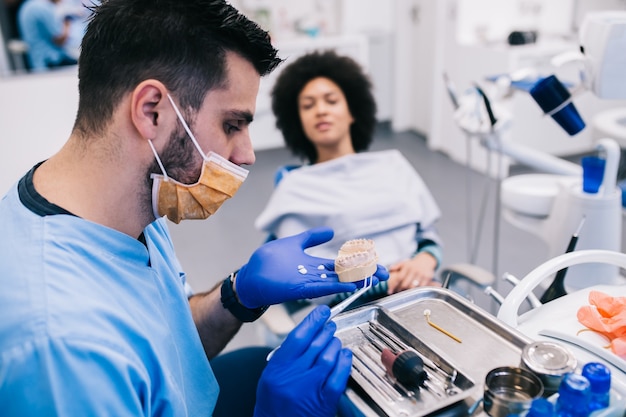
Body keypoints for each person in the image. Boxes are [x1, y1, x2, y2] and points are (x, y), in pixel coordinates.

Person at [0, 1, 388, 417]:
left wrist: (237, 295)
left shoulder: (128, 206)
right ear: (152, 112)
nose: (248, 155)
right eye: (232, 124)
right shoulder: (65, 350)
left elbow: (169, 347)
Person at [256, 50, 442, 309]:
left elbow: (426, 236)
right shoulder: (295, 187)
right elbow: (298, 280)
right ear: (298, 121)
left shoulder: (393, 165)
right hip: (350, 312)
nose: (320, 110)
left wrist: (426, 260)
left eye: (331, 101)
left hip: (419, 292)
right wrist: (382, 284)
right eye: (308, 105)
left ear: (352, 111)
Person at [17, 0, 77, 71]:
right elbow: (60, 39)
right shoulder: (43, 7)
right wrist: (67, 21)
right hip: (52, 62)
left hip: (37, 62)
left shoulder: (26, 6)